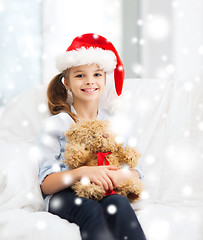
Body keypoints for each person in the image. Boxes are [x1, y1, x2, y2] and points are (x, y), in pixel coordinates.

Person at [37, 33, 146, 240]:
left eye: (97, 74)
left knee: (120, 204)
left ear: (105, 79)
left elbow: (136, 171)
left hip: (105, 190)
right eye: (80, 75)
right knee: (91, 210)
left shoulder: (116, 124)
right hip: (65, 194)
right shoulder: (55, 125)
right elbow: (46, 183)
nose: (90, 81)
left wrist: (118, 176)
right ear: (67, 83)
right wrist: (82, 172)